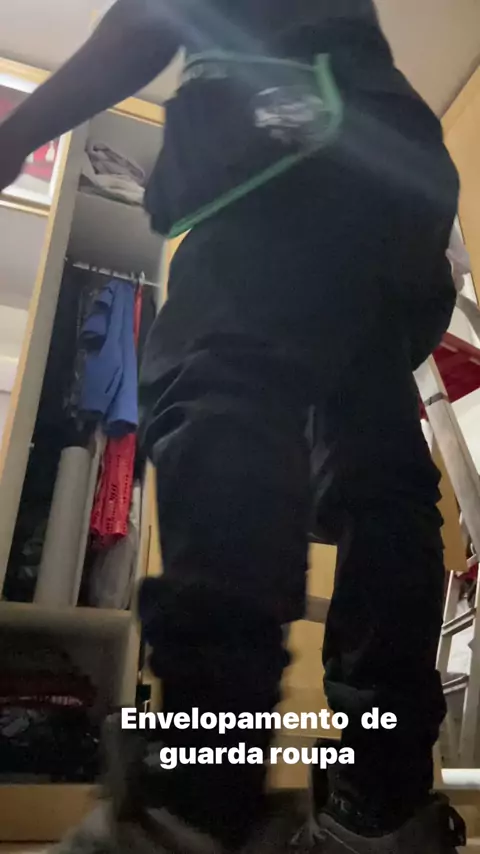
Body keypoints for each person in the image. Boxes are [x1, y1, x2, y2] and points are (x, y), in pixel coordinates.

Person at [0, 1, 465, 851]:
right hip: (399, 173)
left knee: (222, 391)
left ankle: (196, 803)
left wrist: (18, 131)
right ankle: (385, 804)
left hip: (288, 125)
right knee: (374, 475)